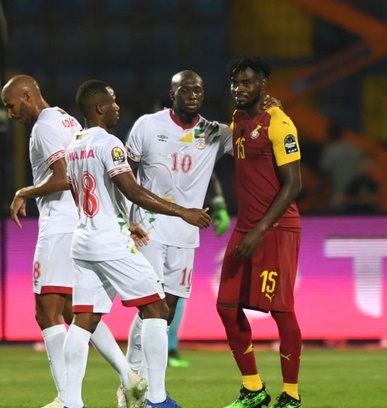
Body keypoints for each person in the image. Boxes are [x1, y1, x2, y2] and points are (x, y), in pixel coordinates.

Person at [64, 79, 211, 408]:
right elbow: (134, 191)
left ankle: (71, 402)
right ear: (100, 108)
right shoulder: (109, 143)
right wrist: (181, 211)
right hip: (108, 242)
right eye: (113, 102)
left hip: (83, 239)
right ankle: (157, 400)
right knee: (157, 307)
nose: (118, 107)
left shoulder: (74, 145)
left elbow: (86, 193)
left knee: (84, 320)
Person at [1, 75, 146, 408]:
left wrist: (25, 191)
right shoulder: (65, 118)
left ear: (26, 96)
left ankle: (67, 400)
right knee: (74, 310)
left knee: (46, 311)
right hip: (79, 222)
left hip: (59, 227)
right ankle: (129, 378)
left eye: (11, 106)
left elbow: (63, 178)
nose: (10, 114)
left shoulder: (45, 127)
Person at [123, 71, 278, 379]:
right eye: (186, 90)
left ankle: (137, 380)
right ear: (172, 94)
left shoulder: (214, 133)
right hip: (148, 229)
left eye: (198, 91)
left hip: (186, 235)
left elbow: (258, 143)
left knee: (164, 313)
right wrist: (126, 218)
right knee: (151, 308)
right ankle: (135, 381)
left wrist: (269, 113)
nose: (193, 95)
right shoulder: (148, 126)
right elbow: (123, 175)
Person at [217, 56, 303, 408]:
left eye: (248, 82)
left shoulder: (280, 123)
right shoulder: (238, 119)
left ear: (263, 84)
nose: (240, 88)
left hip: (276, 228)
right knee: (226, 306)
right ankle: (253, 388)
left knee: (281, 312)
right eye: (236, 83)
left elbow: (294, 184)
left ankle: (292, 395)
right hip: (246, 227)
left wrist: (260, 230)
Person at [319, 120, 362, 213]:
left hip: (337, 199)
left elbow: (325, 176)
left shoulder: (330, 151)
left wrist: (319, 196)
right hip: (357, 199)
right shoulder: (355, 150)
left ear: (329, 134)